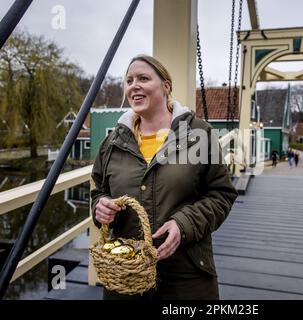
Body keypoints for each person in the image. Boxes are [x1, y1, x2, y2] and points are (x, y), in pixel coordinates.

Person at [91, 54, 238, 300]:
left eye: (143, 78)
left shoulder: (199, 134)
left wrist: (184, 224)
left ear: (166, 86)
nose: (133, 85)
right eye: (129, 80)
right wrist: (100, 207)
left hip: (186, 274)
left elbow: (221, 195)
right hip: (125, 275)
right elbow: (99, 191)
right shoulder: (112, 142)